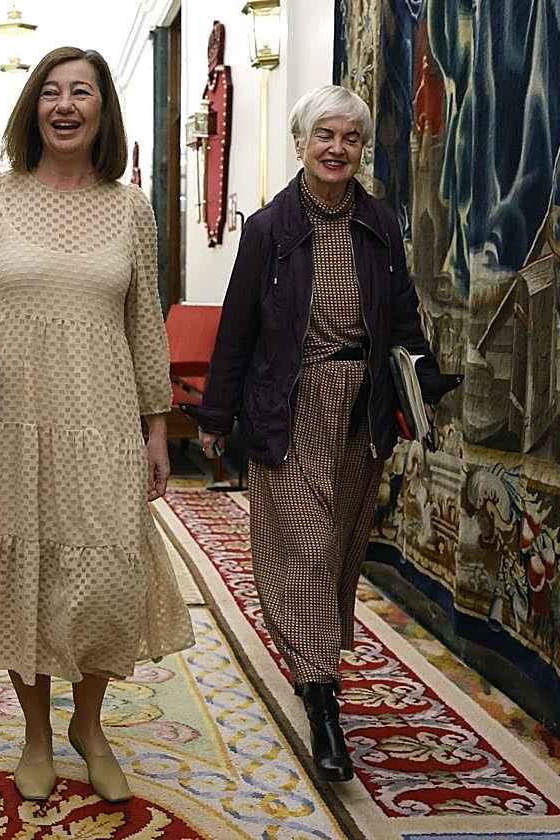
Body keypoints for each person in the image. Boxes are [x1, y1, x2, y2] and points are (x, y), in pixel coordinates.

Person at [0, 46, 194, 804]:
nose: (65, 104)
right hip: (8, 421)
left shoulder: (129, 206)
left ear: (103, 110)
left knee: (105, 573)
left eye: (82, 92)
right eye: (51, 91)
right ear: (32, 107)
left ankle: (90, 724)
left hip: (100, 416)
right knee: (22, 574)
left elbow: (144, 324)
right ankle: (37, 732)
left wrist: (158, 430)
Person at [191, 84, 460, 782]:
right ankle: (324, 704)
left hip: (359, 411)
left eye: (350, 138)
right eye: (325, 135)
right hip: (288, 402)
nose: (337, 148)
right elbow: (239, 331)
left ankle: (314, 665)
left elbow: (402, 321)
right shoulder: (270, 228)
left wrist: (425, 391)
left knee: (336, 548)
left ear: (360, 149)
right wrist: (216, 418)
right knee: (307, 547)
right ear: (301, 142)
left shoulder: (379, 224)